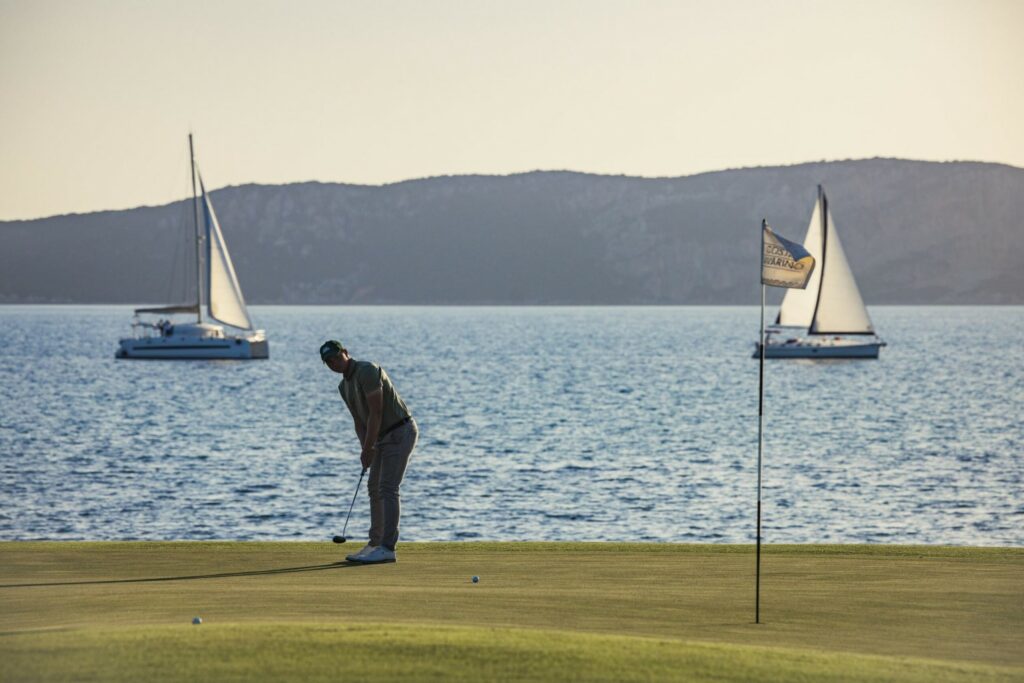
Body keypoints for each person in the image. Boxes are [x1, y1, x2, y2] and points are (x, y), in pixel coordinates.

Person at [320, 339, 417, 564]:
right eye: (328, 362)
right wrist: (365, 448)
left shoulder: (367, 371)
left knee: (388, 488)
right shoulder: (343, 387)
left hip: (399, 432)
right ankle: (375, 543)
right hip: (381, 438)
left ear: (345, 352)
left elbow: (376, 412)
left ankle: (387, 547)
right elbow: (359, 421)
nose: (333, 363)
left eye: (335, 357)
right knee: (374, 487)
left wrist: (369, 447)